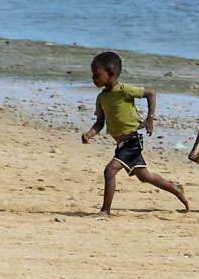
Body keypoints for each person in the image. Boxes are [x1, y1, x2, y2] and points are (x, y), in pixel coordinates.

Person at [82, 52, 191, 214]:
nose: (93, 79)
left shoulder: (124, 90)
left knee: (110, 171)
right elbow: (100, 123)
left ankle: (105, 210)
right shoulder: (101, 98)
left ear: (111, 74)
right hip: (121, 145)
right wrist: (90, 134)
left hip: (132, 142)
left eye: (96, 75)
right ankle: (176, 188)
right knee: (145, 176)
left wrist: (150, 118)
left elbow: (151, 93)